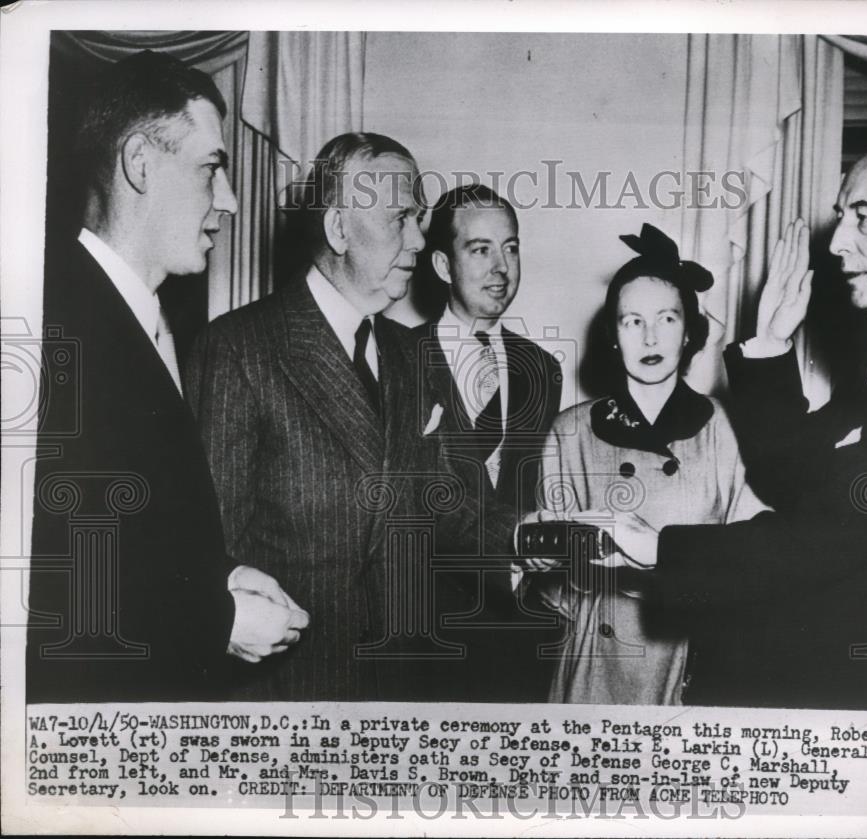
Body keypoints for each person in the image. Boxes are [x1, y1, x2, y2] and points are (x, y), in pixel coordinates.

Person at [577, 141, 867, 803]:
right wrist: (768, 346)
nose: (838, 242)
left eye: (863, 218)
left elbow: (834, 528)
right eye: (841, 216)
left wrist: (659, 547)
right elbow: (803, 478)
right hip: (856, 717)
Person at [186, 134, 517, 701]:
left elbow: (447, 508)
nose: (417, 238)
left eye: (417, 217)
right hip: (293, 697)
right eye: (401, 219)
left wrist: (533, 536)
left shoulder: (411, 355)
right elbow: (211, 547)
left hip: (401, 690)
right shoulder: (240, 348)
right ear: (339, 229)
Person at [28, 50, 307, 703]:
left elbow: (125, 527)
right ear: (140, 164)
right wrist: (219, 618)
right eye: (213, 169)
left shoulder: (140, 318)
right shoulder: (53, 328)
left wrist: (221, 576)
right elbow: (47, 577)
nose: (230, 201)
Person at [523, 224, 768, 704]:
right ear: (613, 335)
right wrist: (540, 552)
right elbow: (558, 587)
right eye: (632, 321)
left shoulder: (726, 427)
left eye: (667, 319)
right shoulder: (570, 432)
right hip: (595, 666)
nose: (650, 336)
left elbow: (751, 556)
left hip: (691, 654)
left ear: (689, 331)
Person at [413, 184, 563, 700]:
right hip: (422, 636)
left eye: (511, 247)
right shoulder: (395, 361)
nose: (501, 268)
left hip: (517, 636)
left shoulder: (543, 369)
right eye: (480, 250)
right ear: (440, 264)